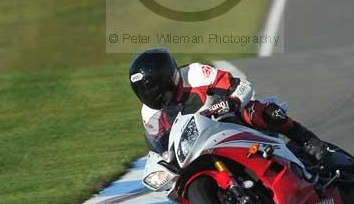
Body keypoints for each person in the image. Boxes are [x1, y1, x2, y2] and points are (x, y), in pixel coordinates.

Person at [128, 47, 327, 164]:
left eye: (153, 86)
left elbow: (241, 87)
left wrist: (231, 102)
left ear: (168, 77)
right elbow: (161, 143)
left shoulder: (196, 74)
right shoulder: (149, 113)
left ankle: (307, 141)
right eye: (143, 90)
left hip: (228, 121)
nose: (151, 93)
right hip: (199, 147)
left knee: (261, 112)